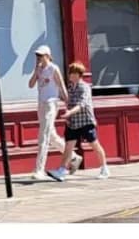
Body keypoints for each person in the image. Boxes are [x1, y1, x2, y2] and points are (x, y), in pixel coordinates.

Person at [47, 61, 110, 181]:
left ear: (78, 74)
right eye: (69, 73)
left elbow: (82, 104)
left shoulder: (84, 87)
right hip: (73, 123)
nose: (70, 75)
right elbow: (68, 102)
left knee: (94, 145)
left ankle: (104, 168)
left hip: (85, 121)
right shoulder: (70, 87)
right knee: (68, 147)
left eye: (72, 73)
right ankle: (62, 170)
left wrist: (69, 113)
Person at [28, 44, 79, 180]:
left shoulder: (53, 68)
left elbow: (61, 86)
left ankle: (39, 169)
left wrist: (68, 105)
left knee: (43, 135)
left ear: (47, 56)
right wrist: (36, 72)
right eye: (37, 56)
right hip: (41, 103)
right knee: (51, 135)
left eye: (40, 55)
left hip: (51, 103)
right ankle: (73, 157)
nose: (38, 58)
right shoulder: (39, 69)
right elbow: (31, 84)